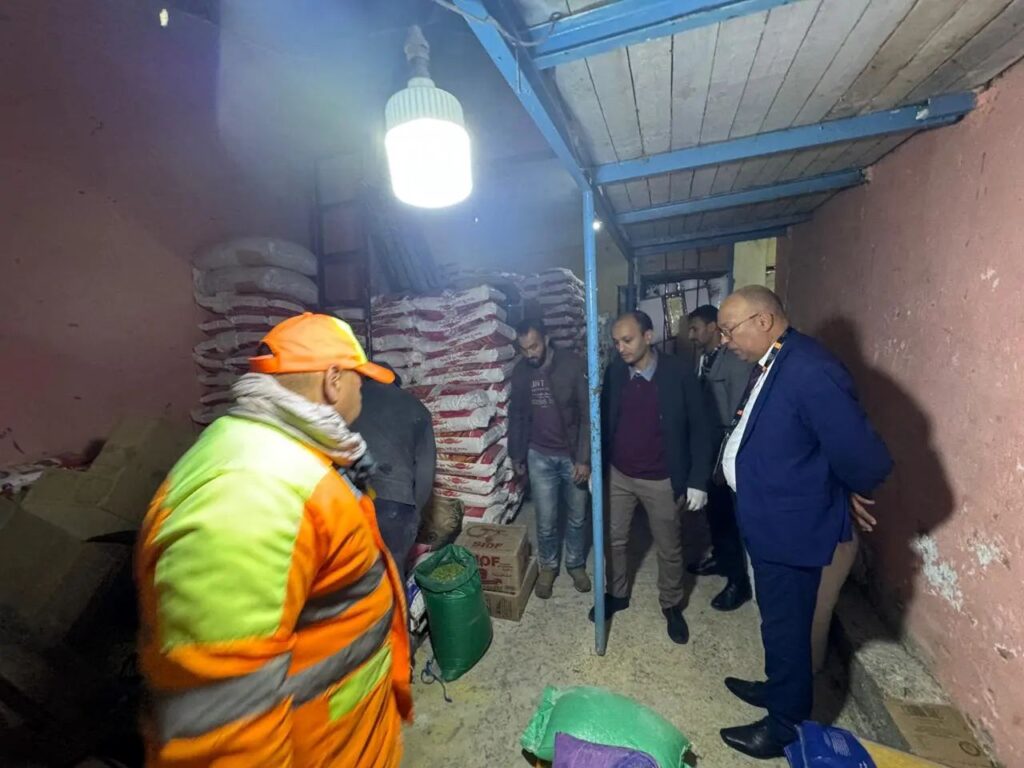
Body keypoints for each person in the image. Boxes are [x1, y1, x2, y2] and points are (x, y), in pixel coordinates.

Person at [135, 313, 412, 767]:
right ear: (333, 381)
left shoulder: (295, 454)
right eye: (360, 380)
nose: (364, 391)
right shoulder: (249, 492)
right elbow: (225, 729)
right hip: (319, 750)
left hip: (348, 736)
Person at [715, 287, 892, 759]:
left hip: (790, 527)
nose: (725, 341)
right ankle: (778, 689)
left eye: (729, 330)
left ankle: (784, 727)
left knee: (789, 627)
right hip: (768, 515)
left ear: (764, 321)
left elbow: (862, 454)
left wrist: (844, 488)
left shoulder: (811, 369)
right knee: (777, 620)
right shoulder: (777, 360)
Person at [595, 311, 715, 645]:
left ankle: (671, 604)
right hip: (619, 474)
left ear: (648, 336)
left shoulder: (678, 373)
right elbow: (602, 421)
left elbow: (700, 428)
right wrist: (595, 465)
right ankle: (617, 593)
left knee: (668, 547)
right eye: (616, 342)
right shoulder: (615, 372)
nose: (620, 348)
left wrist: (698, 479)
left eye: (627, 340)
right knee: (614, 540)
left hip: (662, 478)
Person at [508, 318, 592, 599]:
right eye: (524, 349)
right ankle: (548, 566)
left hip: (571, 455)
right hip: (539, 455)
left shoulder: (572, 365)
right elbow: (517, 415)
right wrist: (516, 453)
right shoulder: (521, 372)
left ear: (545, 339)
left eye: (534, 346)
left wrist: (584, 458)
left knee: (577, 516)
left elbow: (587, 415)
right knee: (545, 520)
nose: (530, 354)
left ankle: (576, 564)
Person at [685, 304, 754, 611]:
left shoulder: (735, 361)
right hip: (709, 448)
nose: (691, 335)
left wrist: (730, 452)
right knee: (715, 513)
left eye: (696, 328)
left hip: (727, 450)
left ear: (713, 327)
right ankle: (721, 558)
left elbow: (741, 409)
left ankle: (738, 582)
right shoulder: (704, 359)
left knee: (729, 518)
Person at [353, 363, 436, 582]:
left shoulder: (347, 401)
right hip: (395, 504)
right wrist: (415, 511)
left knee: (353, 577)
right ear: (396, 383)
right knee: (392, 577)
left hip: (350, 500)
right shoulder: (417, 409)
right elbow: (426, 471)